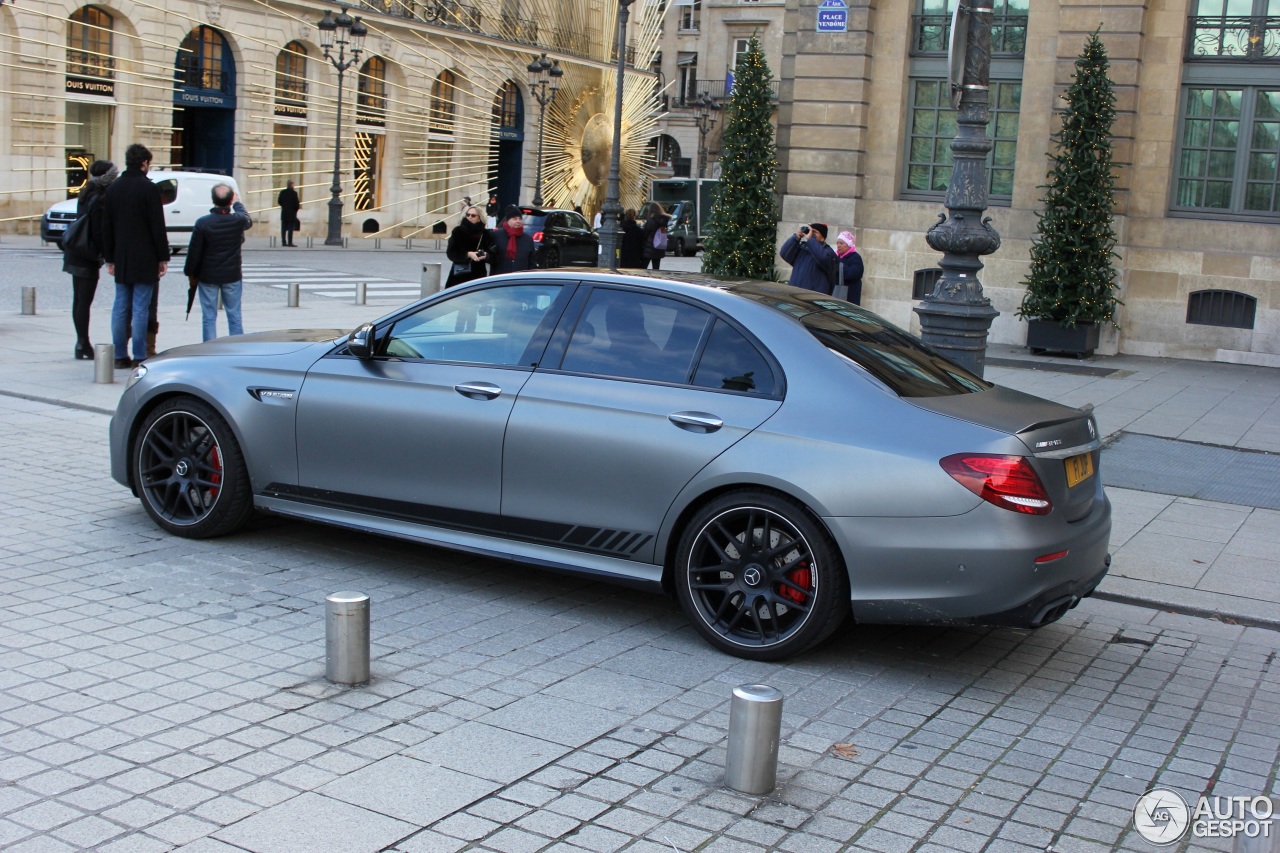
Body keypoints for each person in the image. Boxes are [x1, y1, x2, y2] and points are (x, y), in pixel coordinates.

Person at [100, 143, 169, 368]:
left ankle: (119, 355)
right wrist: (163, 256)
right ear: (144, 163)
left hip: (121, 255)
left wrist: (109, 257)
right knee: (140, 306)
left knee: (120, 305)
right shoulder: (148, 189)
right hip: (145, 255)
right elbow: (157, 226)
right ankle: (139, 353)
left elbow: (106, 226)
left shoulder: (114, 188)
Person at [62, 159, 117, 359]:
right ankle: (82, 343)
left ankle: (81, 341)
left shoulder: (87, 191)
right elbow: (98, 231)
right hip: (86, 253)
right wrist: (106, 255)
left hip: (76, 250)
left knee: (79, 300)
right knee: (84, 300)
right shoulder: (99, 198)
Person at [184, 184, 253, 342]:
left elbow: (194, 252)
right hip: (232, 274)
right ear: (230, 200)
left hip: (209, 275)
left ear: (212, 200)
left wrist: (190, 272)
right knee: (234, 315)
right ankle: (237, 347)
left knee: (209, 316)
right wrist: (237, 203)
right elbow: (247, 218)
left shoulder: (203, 223)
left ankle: (210, 349)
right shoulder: (238, 220)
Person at [444, 205, 496, 287]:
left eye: (473, 215)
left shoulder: (485, 234)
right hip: (459, 275)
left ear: (479, 218)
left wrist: (486, 255)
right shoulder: (458, 231)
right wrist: (468, 254)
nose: (470, 217)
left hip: (478, 275)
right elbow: (451, 253)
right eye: (468, 215)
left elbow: (494, 254)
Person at [779, 222, 837, 294]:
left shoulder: (828, 252)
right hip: (794, 294)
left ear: (822, 238)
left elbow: (822, 258)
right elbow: (784, 253)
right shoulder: (802, 249)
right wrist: (796, 237)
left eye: (815, 232)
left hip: (812, 298)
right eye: (810, 231)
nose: (812, 233)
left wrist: (810, 240)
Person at [488, 205, 536, 274]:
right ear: (507, 220)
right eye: (514, 219)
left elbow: (532, 263)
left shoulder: (527, 239)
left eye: (520, 218)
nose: (518, 221)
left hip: (520, 280)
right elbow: (490, 258)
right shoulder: (496, 235)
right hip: (500, 279)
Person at [834, 229, 865, 304]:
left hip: (849, 297)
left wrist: (838, 265)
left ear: (849, 244)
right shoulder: (836, 257)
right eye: (837, 243)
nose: (838, 245)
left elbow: (853, 274)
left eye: (841, 243)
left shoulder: (855, 258)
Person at [641, 202, 670, 270]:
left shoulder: (651, 221)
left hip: (649, 246)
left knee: (644, 267)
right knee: (656, 268)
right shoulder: (664, 221)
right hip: (659, 246)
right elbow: (664, 232)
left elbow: (645, 233)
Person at [277, 180, 300, 246]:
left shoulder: (283, 192)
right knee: (290, 228)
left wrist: (284, 206)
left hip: (284, 212)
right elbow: (297, 204)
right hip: (292, 213)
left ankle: (283, 242)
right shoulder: (294, 193)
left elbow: (279, 201)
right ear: (292, 185)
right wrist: (295, 210)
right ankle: (290, 242)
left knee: (283, 228)